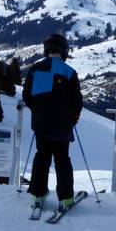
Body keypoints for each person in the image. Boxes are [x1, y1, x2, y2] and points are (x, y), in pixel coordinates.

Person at [22, 34, 84, 210]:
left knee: (41, 157)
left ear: (47, 50)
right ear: (64, 51)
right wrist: (72, 119)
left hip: (41, 125)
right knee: (62, 160)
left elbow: (27, 96)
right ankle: (65, 198)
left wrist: (39, 111)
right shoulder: (69, 72)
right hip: (62, 126)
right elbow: (77, 102)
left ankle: (37, 195)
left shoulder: (35, 70)